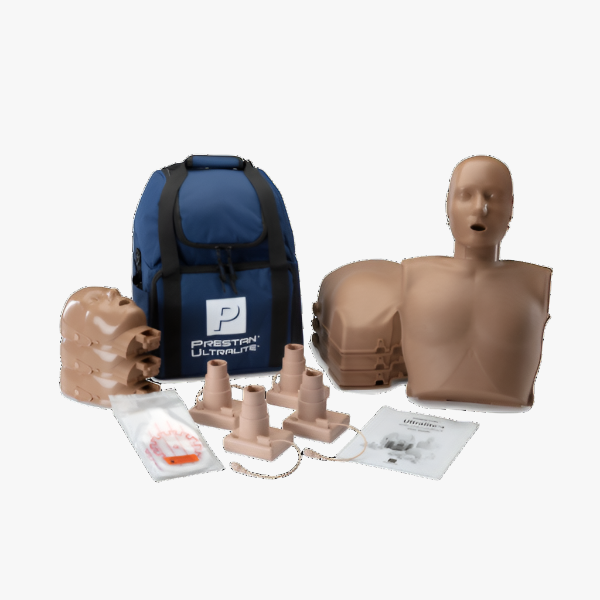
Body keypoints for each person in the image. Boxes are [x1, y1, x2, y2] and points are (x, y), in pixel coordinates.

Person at [399, 156, 551, 408]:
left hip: (509, 420)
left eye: (492, 197)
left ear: (511, 207)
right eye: (465, 195)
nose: (480, 208)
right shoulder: (412, 274)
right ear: (448, 203)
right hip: (427, 408)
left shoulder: (536, 281)